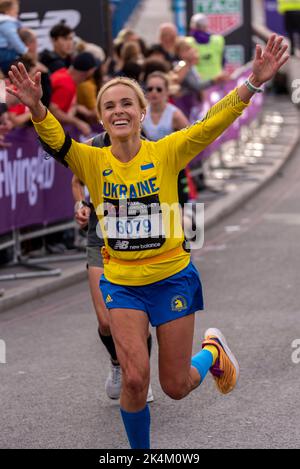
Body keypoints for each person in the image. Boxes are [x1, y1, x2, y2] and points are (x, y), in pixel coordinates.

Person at [7, 34, 289, 450]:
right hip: (122, 284)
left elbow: (213, 122)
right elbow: (55, 140)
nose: (119, 111)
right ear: (102, 119)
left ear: (142, 112)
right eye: (109, 106)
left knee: (175, 386)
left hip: (172, 279)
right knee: (135, 379)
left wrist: (253, 82)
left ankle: (212, 351)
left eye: (127, 103)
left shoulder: (167, 152)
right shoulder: (92, 159)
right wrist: (36, 108)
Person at [71, 133, 154, 403]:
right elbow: (76, 181)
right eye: (109, 106)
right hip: (99, 238)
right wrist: (81, 205)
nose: (117, 112)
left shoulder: (142, 144)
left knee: (137, 322)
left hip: (134, 240)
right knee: (106, 321)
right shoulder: (93, 146)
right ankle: (119, 363)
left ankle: (140, 375)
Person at [143, 71, 190, 206]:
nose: (154, 93)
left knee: (179, 205)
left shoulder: (174, 114)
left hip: (173, 167)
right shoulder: (142, 114)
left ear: (167, 91)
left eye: (159, 89)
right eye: (150, 89)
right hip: (151, 169)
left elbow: (191, 138)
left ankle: (183, 224)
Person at [49, 52, 100, 136]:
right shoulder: (66, 84)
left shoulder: (62, 73)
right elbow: (54, 111)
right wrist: (77, 122)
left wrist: (79, 108)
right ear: (90, 72)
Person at [187, 13, 226, 81]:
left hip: (204, 82)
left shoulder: (188, 42)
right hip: (213, 80)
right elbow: (223, 60)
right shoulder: (218, 40)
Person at [0, 0, 27, 74]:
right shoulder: (6, 22)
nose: (17, 14)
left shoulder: (6, 22)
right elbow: (14, 40)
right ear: (6, 11)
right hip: (5, 56)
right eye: (15, 12)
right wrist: (25, 52)